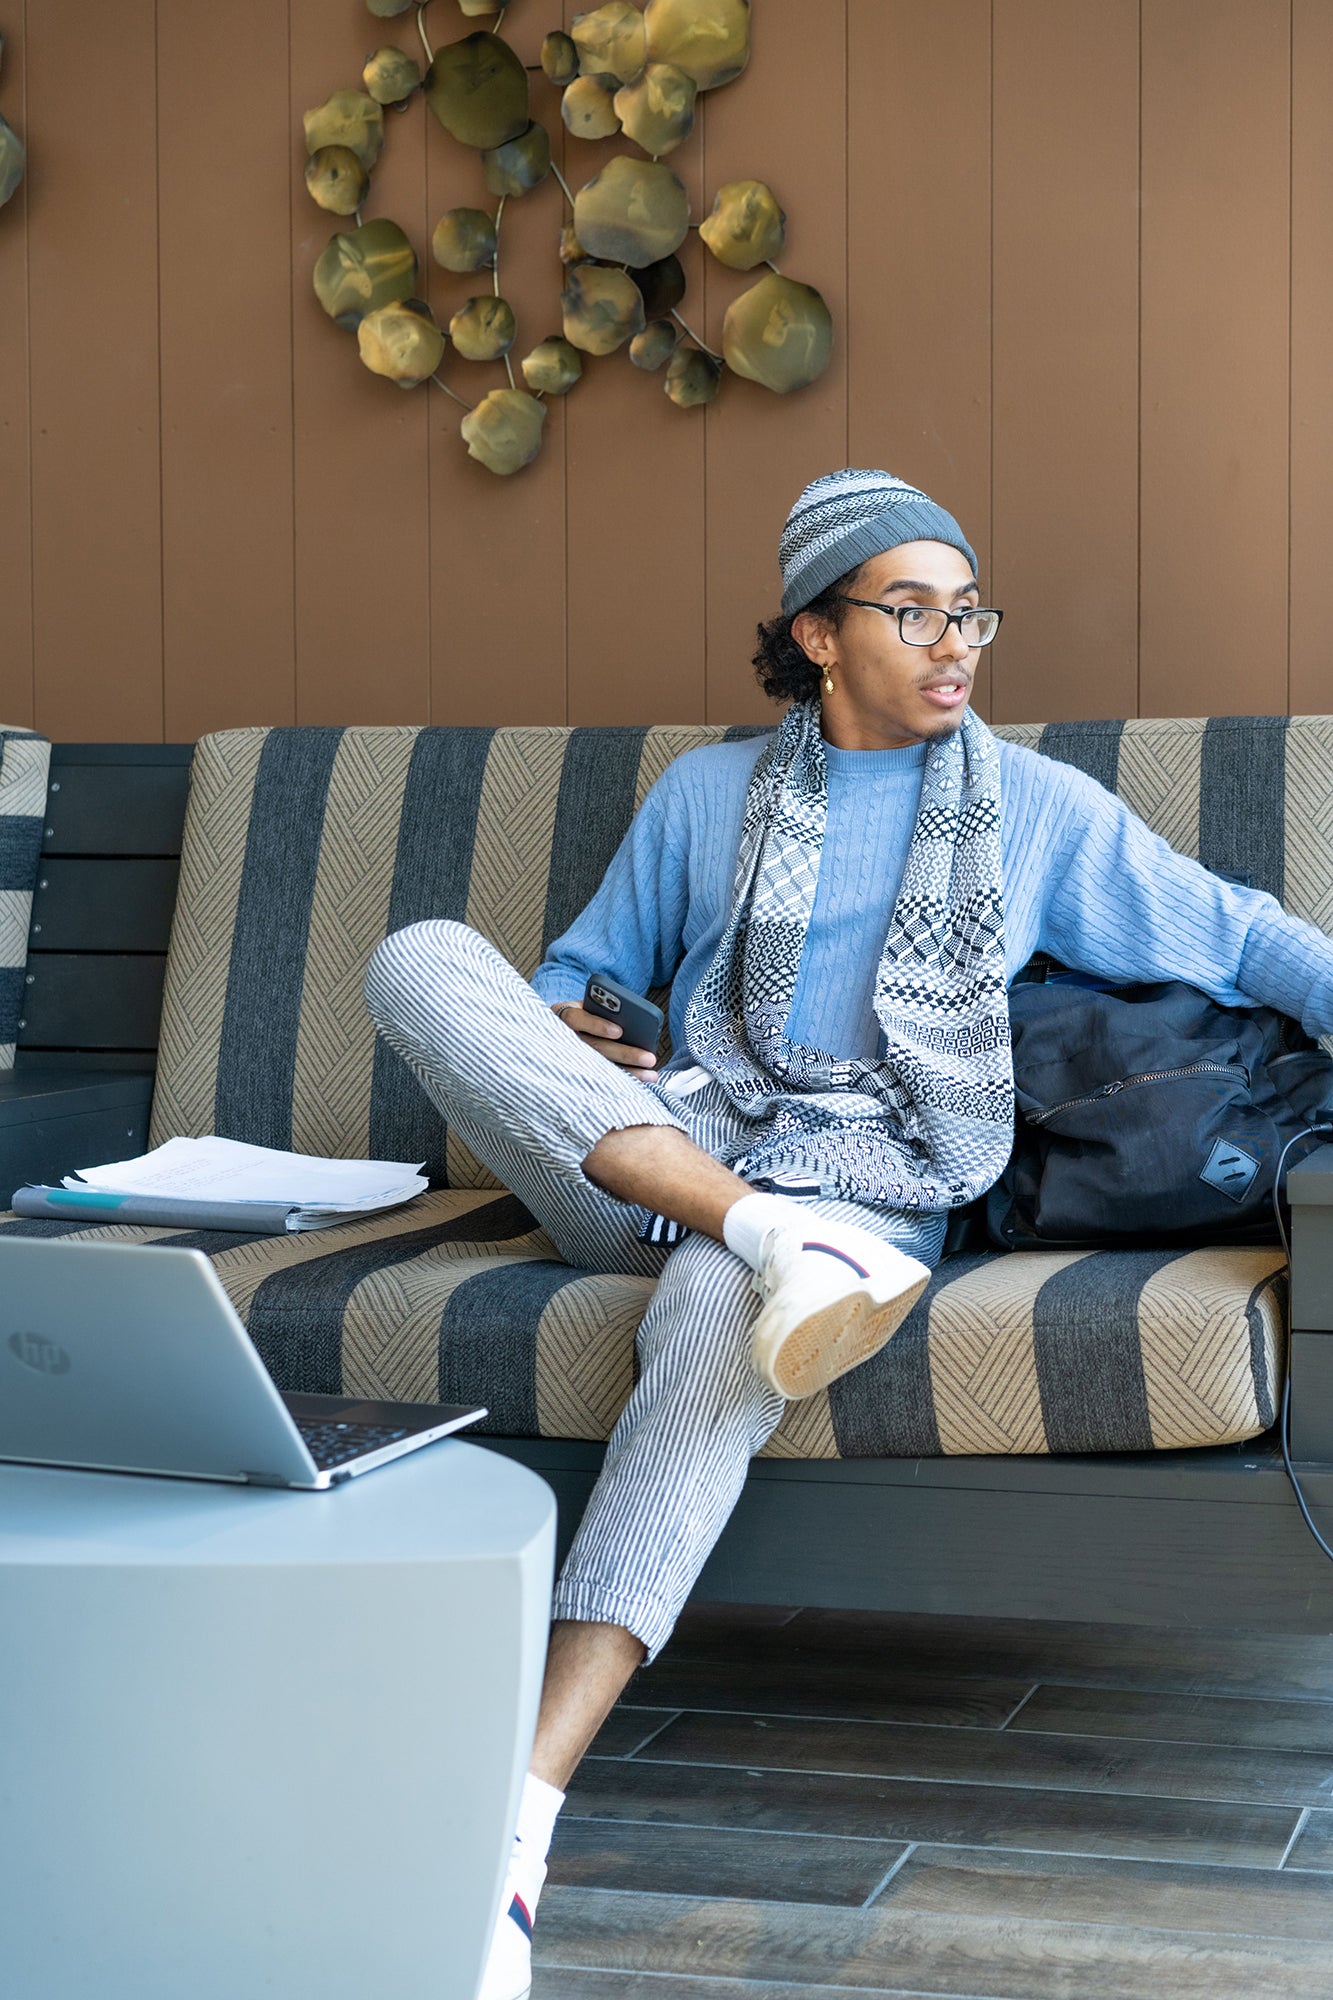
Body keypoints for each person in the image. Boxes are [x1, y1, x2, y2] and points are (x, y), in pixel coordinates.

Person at [363, 469, 1333, 2000]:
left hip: (876, 1185)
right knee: (418, 957)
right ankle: (763, 1232)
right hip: (665, 1155)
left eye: (967, 612)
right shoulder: (703, 798)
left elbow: (1247, 936)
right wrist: (571, 1027)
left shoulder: (1034, 811)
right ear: (817, 634)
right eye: (909, 611)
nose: (952, 644)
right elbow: (575, 973)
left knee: (705, 1318)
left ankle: (513, 1832)